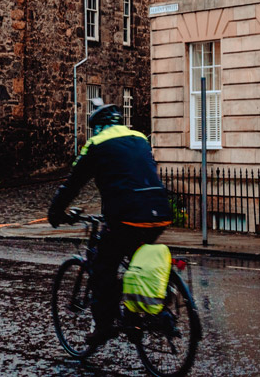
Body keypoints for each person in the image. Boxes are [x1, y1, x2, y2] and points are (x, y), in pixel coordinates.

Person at [48, 99, 172, 346]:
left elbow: (73, 183)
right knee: (135, 261)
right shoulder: (139, 138)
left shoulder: (96, 144)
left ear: (98, 128)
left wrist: (56, 213)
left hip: (127, 217)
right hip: (160, 212)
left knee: (102, 267)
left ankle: (104, 327)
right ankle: (139, 314)